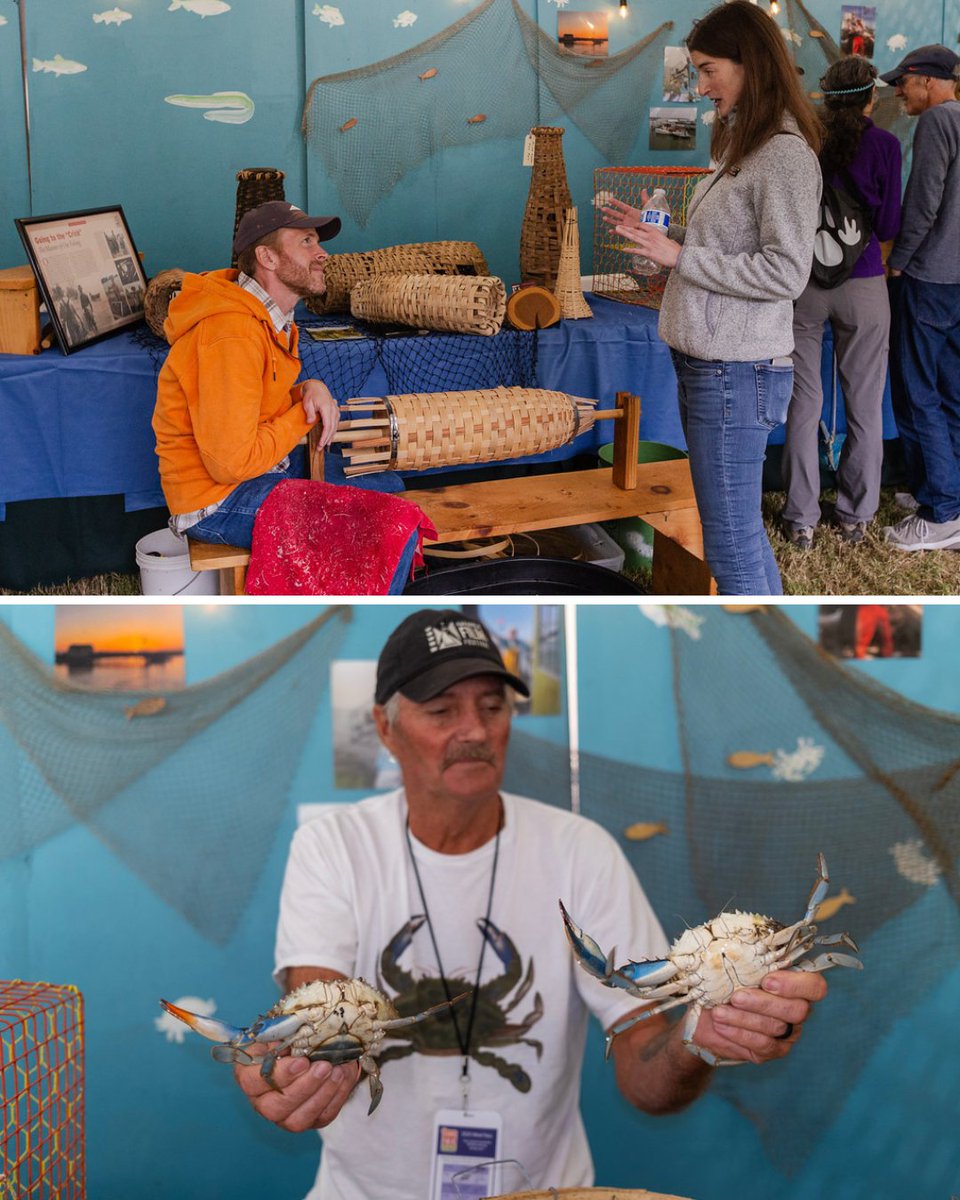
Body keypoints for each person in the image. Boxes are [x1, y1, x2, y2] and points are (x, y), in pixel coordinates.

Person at [231, 608, 829, 1200]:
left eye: (492, 708)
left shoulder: (579, 853)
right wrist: (303, 1067)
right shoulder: (334, 847)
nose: (474, 730)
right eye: (442, 710)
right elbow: (318, 1010)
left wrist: (699, 1038)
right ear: (385, 729)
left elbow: (649, 1076)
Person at [603, 1, 822, 595]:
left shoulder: (784, 155)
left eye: (707, 70)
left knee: (730, 541)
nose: (699, 88)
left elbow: (786, 272)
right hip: (712, 364)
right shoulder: (740, 145)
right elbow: (723, 248)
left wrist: (681, 258)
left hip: (735, 370)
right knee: (733, 531)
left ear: (749, 64)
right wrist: (664, 237)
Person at [152, 200, 343, 549]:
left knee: (388, 486)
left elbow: (251, 403)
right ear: (267, 259)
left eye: (317, 240)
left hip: (260, 472)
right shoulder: (232, 332)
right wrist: (304, 413)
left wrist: (306, 390)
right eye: (306, 242)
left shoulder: (269, 319)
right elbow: (231, 465)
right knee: (368, 524)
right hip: (216, 502)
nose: (322, 253)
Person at [781, 56, 902, 549]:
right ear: (872, 98)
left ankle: (801, 518)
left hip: (804, 285)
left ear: (826, 98)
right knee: (865, 406)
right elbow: (891, 224)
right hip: (866, 282)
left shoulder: (804, 140)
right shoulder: (887, 146)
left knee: (803, 403)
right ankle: (855, 516)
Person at [878, 45, 960, 552]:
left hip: (929, 279)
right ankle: (942, 490)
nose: (898, 93)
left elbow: (925, 202)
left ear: (927, 81)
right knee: (951, 392)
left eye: (903, 83)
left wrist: (898, 260)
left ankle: (941, 512)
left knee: (917, 391)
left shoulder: (936, 123)